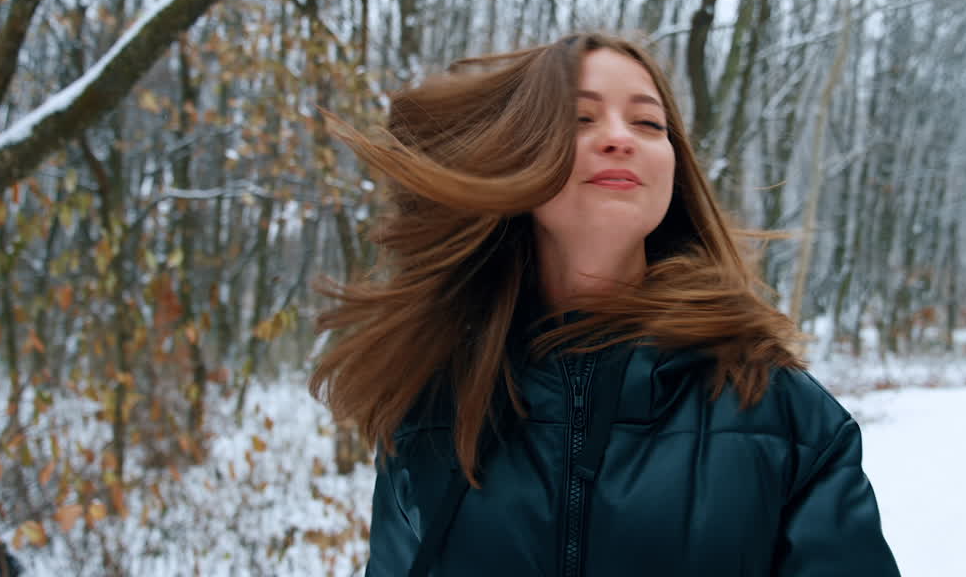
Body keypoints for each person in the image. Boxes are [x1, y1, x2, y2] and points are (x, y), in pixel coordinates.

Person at [310, 33, 899, 576]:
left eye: (648, 122)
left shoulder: (786, 418)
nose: (619, 137)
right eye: (580, 118)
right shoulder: (437, 411)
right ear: (521, 156)